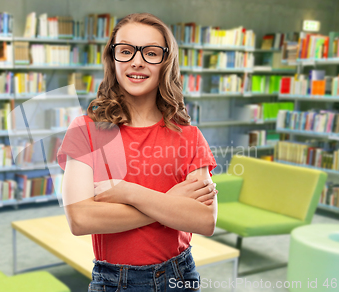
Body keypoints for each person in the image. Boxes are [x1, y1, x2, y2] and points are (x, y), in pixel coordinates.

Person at [57, 12, 218, 292]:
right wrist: (170, 203)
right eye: (126, 50)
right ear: (113, 58)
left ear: (166, 63)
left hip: (178, 275)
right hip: (113, 280)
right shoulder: (86, 130)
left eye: (151, 53)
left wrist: (131, 193)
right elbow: (80, 219)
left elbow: (204, 220)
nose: (137, 61)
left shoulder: (189, 136)